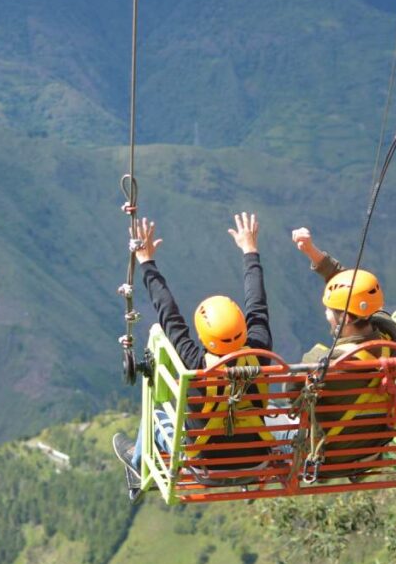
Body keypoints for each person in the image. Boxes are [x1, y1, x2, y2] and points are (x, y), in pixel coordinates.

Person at [112, 213, 284, 498]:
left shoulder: (194, 363)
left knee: (155, 415)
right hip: (256, 460)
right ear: (243, 328)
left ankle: (137, 465)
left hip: (205, 466)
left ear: (204, 336)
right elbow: (258, 305)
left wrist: (146, 261)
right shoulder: (259, 352)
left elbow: (168, 313)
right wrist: (250, 250)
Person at [290, 227, 396, 478]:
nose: (326, 314)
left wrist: (313, 360)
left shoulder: (335, 364)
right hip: (369, 451)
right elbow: (354, 292)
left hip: (327, 456)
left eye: (330, 309)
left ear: (344, 318)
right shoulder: (392, 339)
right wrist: (313, 253)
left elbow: (293, 399)